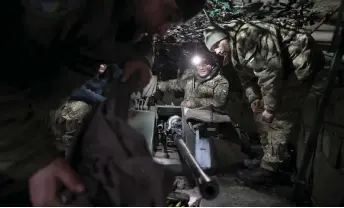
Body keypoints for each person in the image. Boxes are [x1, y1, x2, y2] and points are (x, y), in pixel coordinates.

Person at [1, 0, 206, 205]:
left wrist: (141, 57)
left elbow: (125, 31)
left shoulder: (121, 13)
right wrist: (34, 157)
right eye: (169, 16)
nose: (163, 31)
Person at [203, 20, 325, 184]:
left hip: (300, 61)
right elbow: (246, 80)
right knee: (260, 113)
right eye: (214, 50)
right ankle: (269, 157)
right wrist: (254, 99)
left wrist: (270, 107)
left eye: (217, 45)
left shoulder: (248, 36)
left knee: (281, 115)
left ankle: (270, 169)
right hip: (280, 70)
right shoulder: (234, 53)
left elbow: (270, 74)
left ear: (224, 36)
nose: (217, 51)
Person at [157, 57, 229, 112]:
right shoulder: (191, 75)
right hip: (187, 114)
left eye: (205, 64)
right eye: (198, 64)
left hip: (208, 119)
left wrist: (194, 103)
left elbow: (218, 103)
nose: (201, 68)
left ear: (212, 65)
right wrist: (158, 85)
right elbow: (177, 84)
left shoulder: (220, 82)